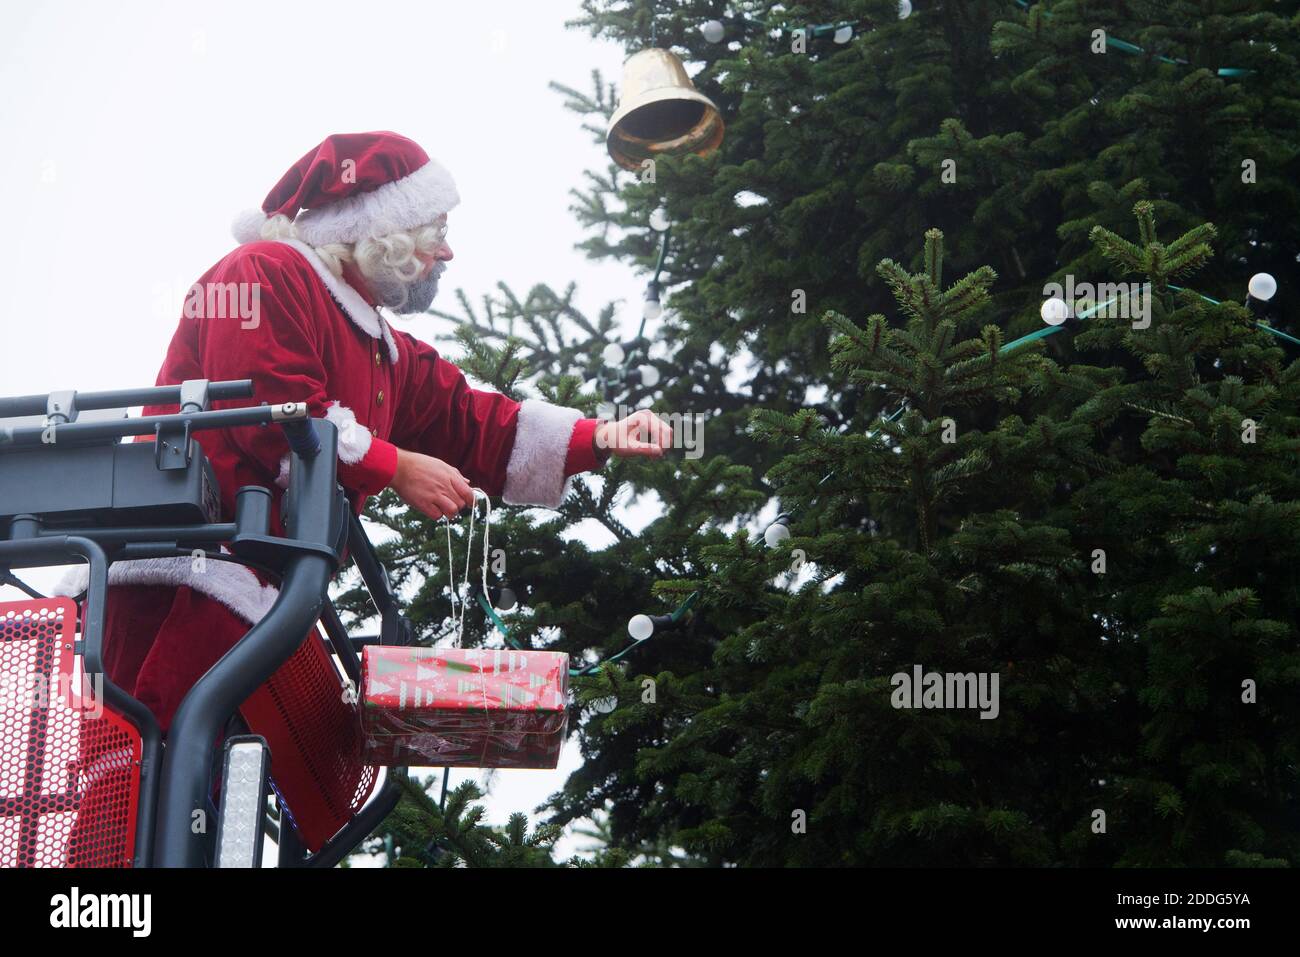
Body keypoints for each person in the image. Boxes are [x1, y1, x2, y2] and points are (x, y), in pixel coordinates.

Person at [53, 131, 671, 853]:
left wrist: (600, 437)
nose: (447, 253)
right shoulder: (263, 272)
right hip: (181, 573)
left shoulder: (384, 348)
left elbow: (473, 420)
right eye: (436, 231)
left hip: (253, 588)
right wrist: (394, 465)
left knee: (204, 787)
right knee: (142, 769)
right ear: (381, 230)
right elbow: (270, 409)